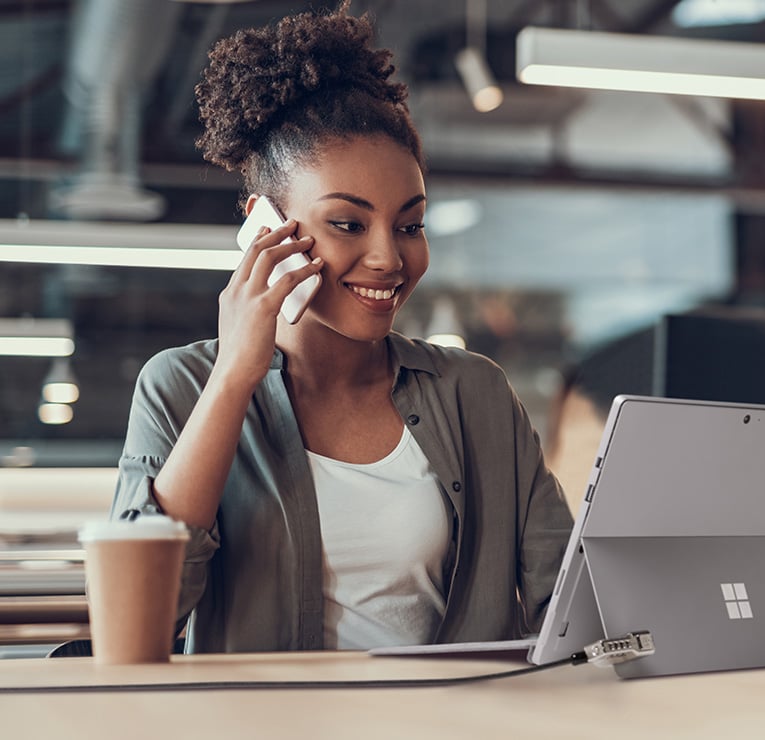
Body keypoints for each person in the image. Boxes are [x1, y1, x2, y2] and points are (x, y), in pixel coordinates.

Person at [110, 4, 574, 653]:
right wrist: (236, 375)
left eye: (409, 225)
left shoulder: (475, 392)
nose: (389, 256)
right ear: (265, 226)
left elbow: (573, 597)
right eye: (348, 224)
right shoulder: (182, 386)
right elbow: (142, 620)